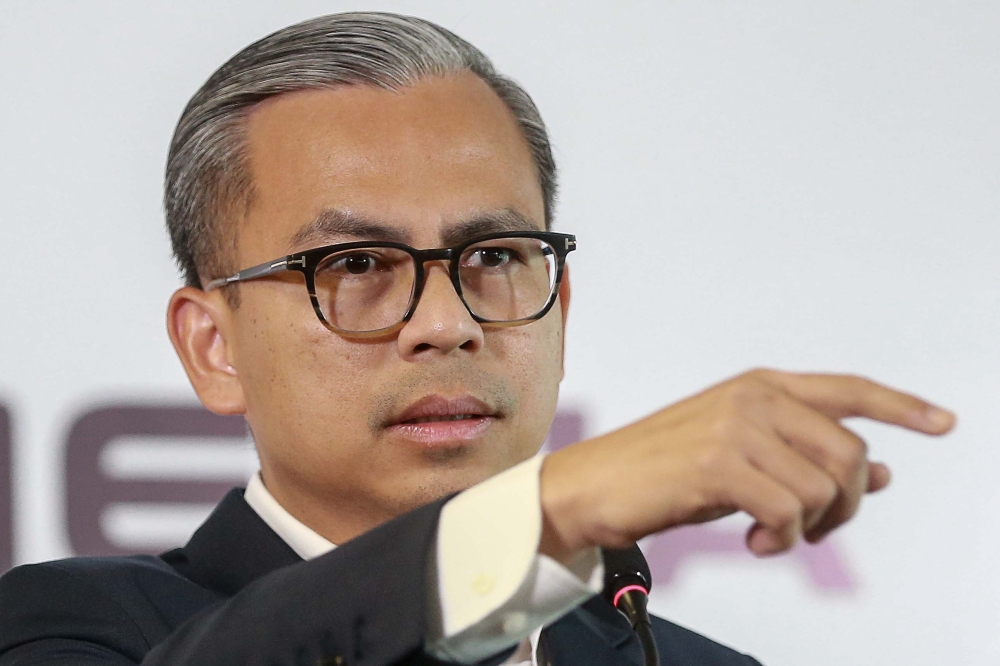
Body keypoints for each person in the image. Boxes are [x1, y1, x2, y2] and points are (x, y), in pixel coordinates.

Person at [0, 12, 955, 666]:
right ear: (213, 346)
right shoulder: (72, 628)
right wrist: (551, 511)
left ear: (561, 305)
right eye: (357, 264)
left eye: (494, 255)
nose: (448, 322)